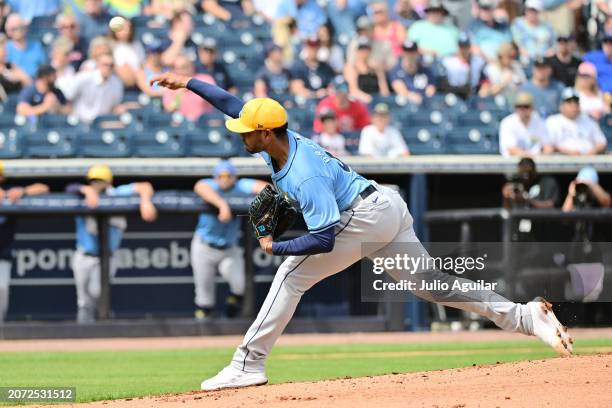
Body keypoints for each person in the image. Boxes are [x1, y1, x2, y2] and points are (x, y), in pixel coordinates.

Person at [151, 70, 575, 390]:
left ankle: (247, 365)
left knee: (290, 277)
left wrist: (274, 246)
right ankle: (523, 315)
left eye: (247, 131)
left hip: (361, 217)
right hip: (384, 206)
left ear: (265, 133)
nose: (240, 133)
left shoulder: (303, 175)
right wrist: (187, 82)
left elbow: (326, 237)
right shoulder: (279, 137)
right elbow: (231, 104)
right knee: (433, 285)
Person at [66, 164, 157, 323]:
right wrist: (86, 191)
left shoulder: (117, 194)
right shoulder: (81, 193)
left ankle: (102, 323)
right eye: (93, 181)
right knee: (82, 300)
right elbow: (69, 188)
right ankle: (83, 333)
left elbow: (145, 186)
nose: (96, 184)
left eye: (100, 180)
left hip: (107, 257)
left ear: (108, 182)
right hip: (84, 255)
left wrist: (146, 201)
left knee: (96, 292)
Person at [192, 160, 268, 320]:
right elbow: (199, 187)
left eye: (228, 176)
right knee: (204, 293)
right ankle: (202, 332)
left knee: (239, 285)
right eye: (221, 176)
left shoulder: (241, 186)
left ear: (235, 177)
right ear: (215, 177)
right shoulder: (209, 185)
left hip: (229, 248)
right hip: (204, 246)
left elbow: (267, 189)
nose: (224, 179)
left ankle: (230, 313)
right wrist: (222, 205)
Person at [0, 161, 49, 323]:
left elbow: (43, 188)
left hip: (3, 254)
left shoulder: (9, 191)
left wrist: (22, 191)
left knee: (2, 290)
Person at [63, 53, 124, 124]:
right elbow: (68, 96)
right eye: (105, 64)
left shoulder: (117, 83)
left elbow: (115, 106)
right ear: (98, 64)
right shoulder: (84, 77)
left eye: (111, 65)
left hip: (103, 123)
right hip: (81, 121)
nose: (108, 68)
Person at [545, 88, 607, 155]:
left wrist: (594, 150)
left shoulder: (588, 120)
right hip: (562, 161)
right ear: (561, 106)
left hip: (588, 161)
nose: (573, 105)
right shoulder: (553, 121)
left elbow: (602, 142)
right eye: (569, 102)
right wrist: (567, 152)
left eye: (576, 102)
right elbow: (548, 145)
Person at [162, 54, 215, 121]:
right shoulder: (170, 85)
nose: (180, 71)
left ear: (192, 67)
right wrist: (179, 94)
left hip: (204, 123)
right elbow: (169, 109)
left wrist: (192, 86)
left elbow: (213, 98)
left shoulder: (205, 79)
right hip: (181, 124)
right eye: (176, 68)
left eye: (184, 67)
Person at [499, 92, 551, 157]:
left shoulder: (539, 122)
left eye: (526, 106)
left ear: (532, 108)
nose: (522, 109)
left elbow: (548, 146)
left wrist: (543, 157)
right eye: (519, 106)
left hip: (536, 162)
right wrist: (529, 156)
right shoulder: (507, 123)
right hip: (512, 162)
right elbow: (511, 149)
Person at [439, 33, 489, 99]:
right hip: (453, 94)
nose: (464, 49)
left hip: (473, 95)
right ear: (458, 45)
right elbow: (442, 83)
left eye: (466, 46)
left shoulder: (477, 62)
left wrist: (484, 89)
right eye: (461, 46)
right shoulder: (448, 61)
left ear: (470, 45)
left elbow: (484, 80)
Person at [344, 37, 390, 104]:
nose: (364, 52)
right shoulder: (351, 67)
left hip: (376, 100)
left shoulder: (375, 68)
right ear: (356, 51)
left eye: (366, 49)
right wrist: (369, 99)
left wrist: (383, 100)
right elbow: (353, 90)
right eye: (361, 49)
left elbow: (384, 89)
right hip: (360, 101)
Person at [389, 40, 436, 105]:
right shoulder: (396, 70)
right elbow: (400, 89)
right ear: (402, 53)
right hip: (405, 104)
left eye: (412, 52)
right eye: (406, 51)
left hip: (424, 103)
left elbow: (431, 89)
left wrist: (424, 97)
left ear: (417, 53)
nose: (409, 55)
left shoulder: (425, 70)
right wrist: (410, 96)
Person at [4, 14, 46, 78]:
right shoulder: (5, 48)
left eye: (20, 27)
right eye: (14, 29)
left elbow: (43, 67)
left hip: (36, 83)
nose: (18, 30)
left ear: (25, 28)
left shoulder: (36, 46)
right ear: (8, 31)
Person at [109, 17, 145, 88]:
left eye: (129, 27)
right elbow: (127, 78)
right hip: (123, 88)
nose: (127, 31)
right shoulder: (111, 47)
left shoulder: (136, 44)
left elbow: (143, 65)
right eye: (123, 28)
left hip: (140, 84)